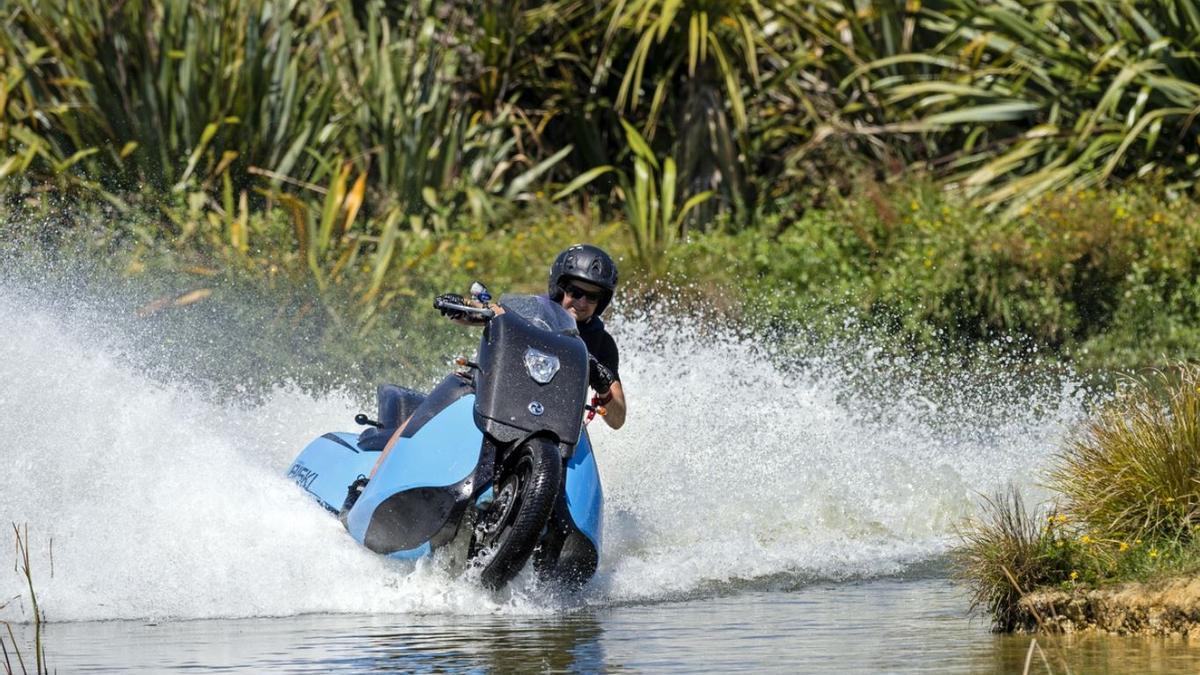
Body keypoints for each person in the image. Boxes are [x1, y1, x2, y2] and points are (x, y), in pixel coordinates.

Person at [435, 243, 627, 430]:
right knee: (455, 385)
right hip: (495, 401)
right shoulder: (535, 309)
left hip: (554, 424)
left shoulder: (602, 343)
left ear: (601, 301)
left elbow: (618, 419)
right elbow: (492, 312)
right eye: (575, 292)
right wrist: (461, 305)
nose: (582, 303)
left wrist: (602, 384)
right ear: (560, 288)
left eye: (592, 297)